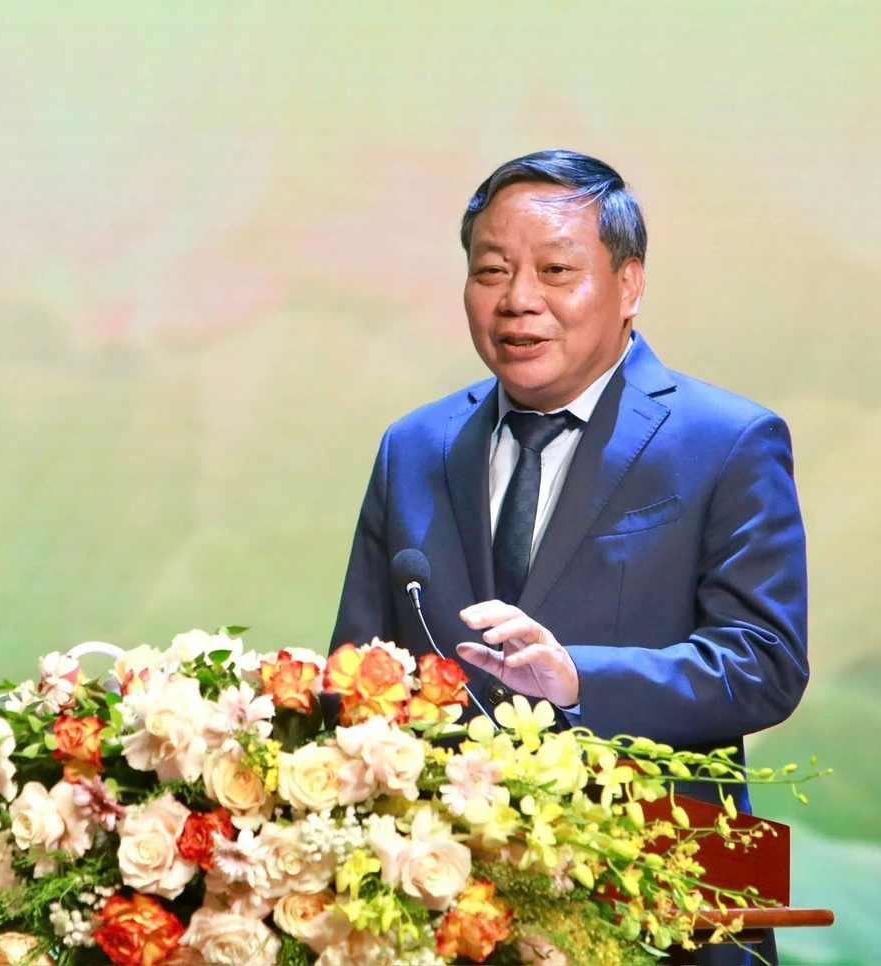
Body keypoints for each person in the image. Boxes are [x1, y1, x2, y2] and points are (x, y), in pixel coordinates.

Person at [330, 150, 808, 966]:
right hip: (438, 914)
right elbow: (359, 674)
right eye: (492, 271)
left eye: (556, 270)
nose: (518, 299)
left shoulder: (725, 442)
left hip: (653, 915)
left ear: (629, 283)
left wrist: (579, 678)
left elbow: (762, 664)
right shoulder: (414, 445)